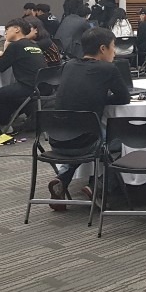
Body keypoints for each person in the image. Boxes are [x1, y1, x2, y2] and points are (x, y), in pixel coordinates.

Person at [48, 27, 130, 209]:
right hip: (84, 142)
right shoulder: (108, 69)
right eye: (113, 47)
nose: (115, 52)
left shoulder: (68, 65)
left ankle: (61, 180)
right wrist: (102, 99)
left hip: (56, 139)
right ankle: (97, 187)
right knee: (121, 142)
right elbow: (124, 98)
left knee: (83, 133)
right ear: (103, 48)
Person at [0, 19, 47, 127]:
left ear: (16, 29)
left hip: (28, 86)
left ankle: (1, 126)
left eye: (7, 29)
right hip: (43, 86)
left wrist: (6, 47)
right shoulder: (34, 45)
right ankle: (11, 117)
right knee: (9, 93)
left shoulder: (15, 46)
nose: (5, 33)